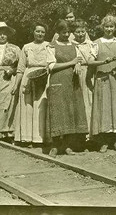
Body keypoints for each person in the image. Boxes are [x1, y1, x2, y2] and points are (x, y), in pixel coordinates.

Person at [46, 20, 89, 157]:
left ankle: (67, 146)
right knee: (58, 112)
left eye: (68, 32)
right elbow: (51, 66)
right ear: (57, 32)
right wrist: (71, 63)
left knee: (71, 112)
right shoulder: (51, 46)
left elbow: (79, 59)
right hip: (58, 81)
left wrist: (77, 64)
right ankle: (55, 145)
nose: (66, 35)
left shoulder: (74, 45)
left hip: (72, 82)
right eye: (63, 32)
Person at [89, 15, 116, 152]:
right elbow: (90, 61)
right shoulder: (96, 43)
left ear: (115, 28)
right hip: (102, 78)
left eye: (111, 26)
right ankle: (104, 142)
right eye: (106, 26)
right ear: (103, 27)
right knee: (104, 108)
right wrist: (103, 62)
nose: (109, 29)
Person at [12, 23, 49, 145]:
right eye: (37, 31)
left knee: (41, 106)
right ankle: (27, 137)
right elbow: (21, 68)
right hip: (28, 78)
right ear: (33, 32)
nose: (40, 34)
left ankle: (40, 138)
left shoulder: (49, 46)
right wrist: (16, 85)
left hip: (44, 77)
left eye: (42, 32)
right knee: (27, 107)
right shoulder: (26, 47)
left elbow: (53, 63)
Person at [71, 19, 95, 132]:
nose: (80, 34)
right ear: (73, 33)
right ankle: (79, 134)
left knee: (90, 102)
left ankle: (91, 133)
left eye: (82, 31)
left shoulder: (91, 44)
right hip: (75, 75)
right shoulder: (70, 44)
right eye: (77, 32)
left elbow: (94, 59)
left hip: (89, 74)